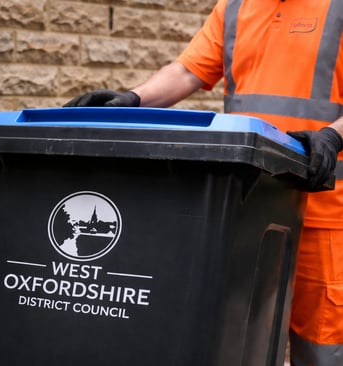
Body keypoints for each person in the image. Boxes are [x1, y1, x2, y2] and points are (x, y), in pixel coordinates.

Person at [64, 0, 343, 364]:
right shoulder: (235, 7)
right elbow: (187, 71)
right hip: (251, 210)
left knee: (323, 350)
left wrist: (333, 136)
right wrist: (133, 99)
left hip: (325, 213)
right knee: (240, 340)